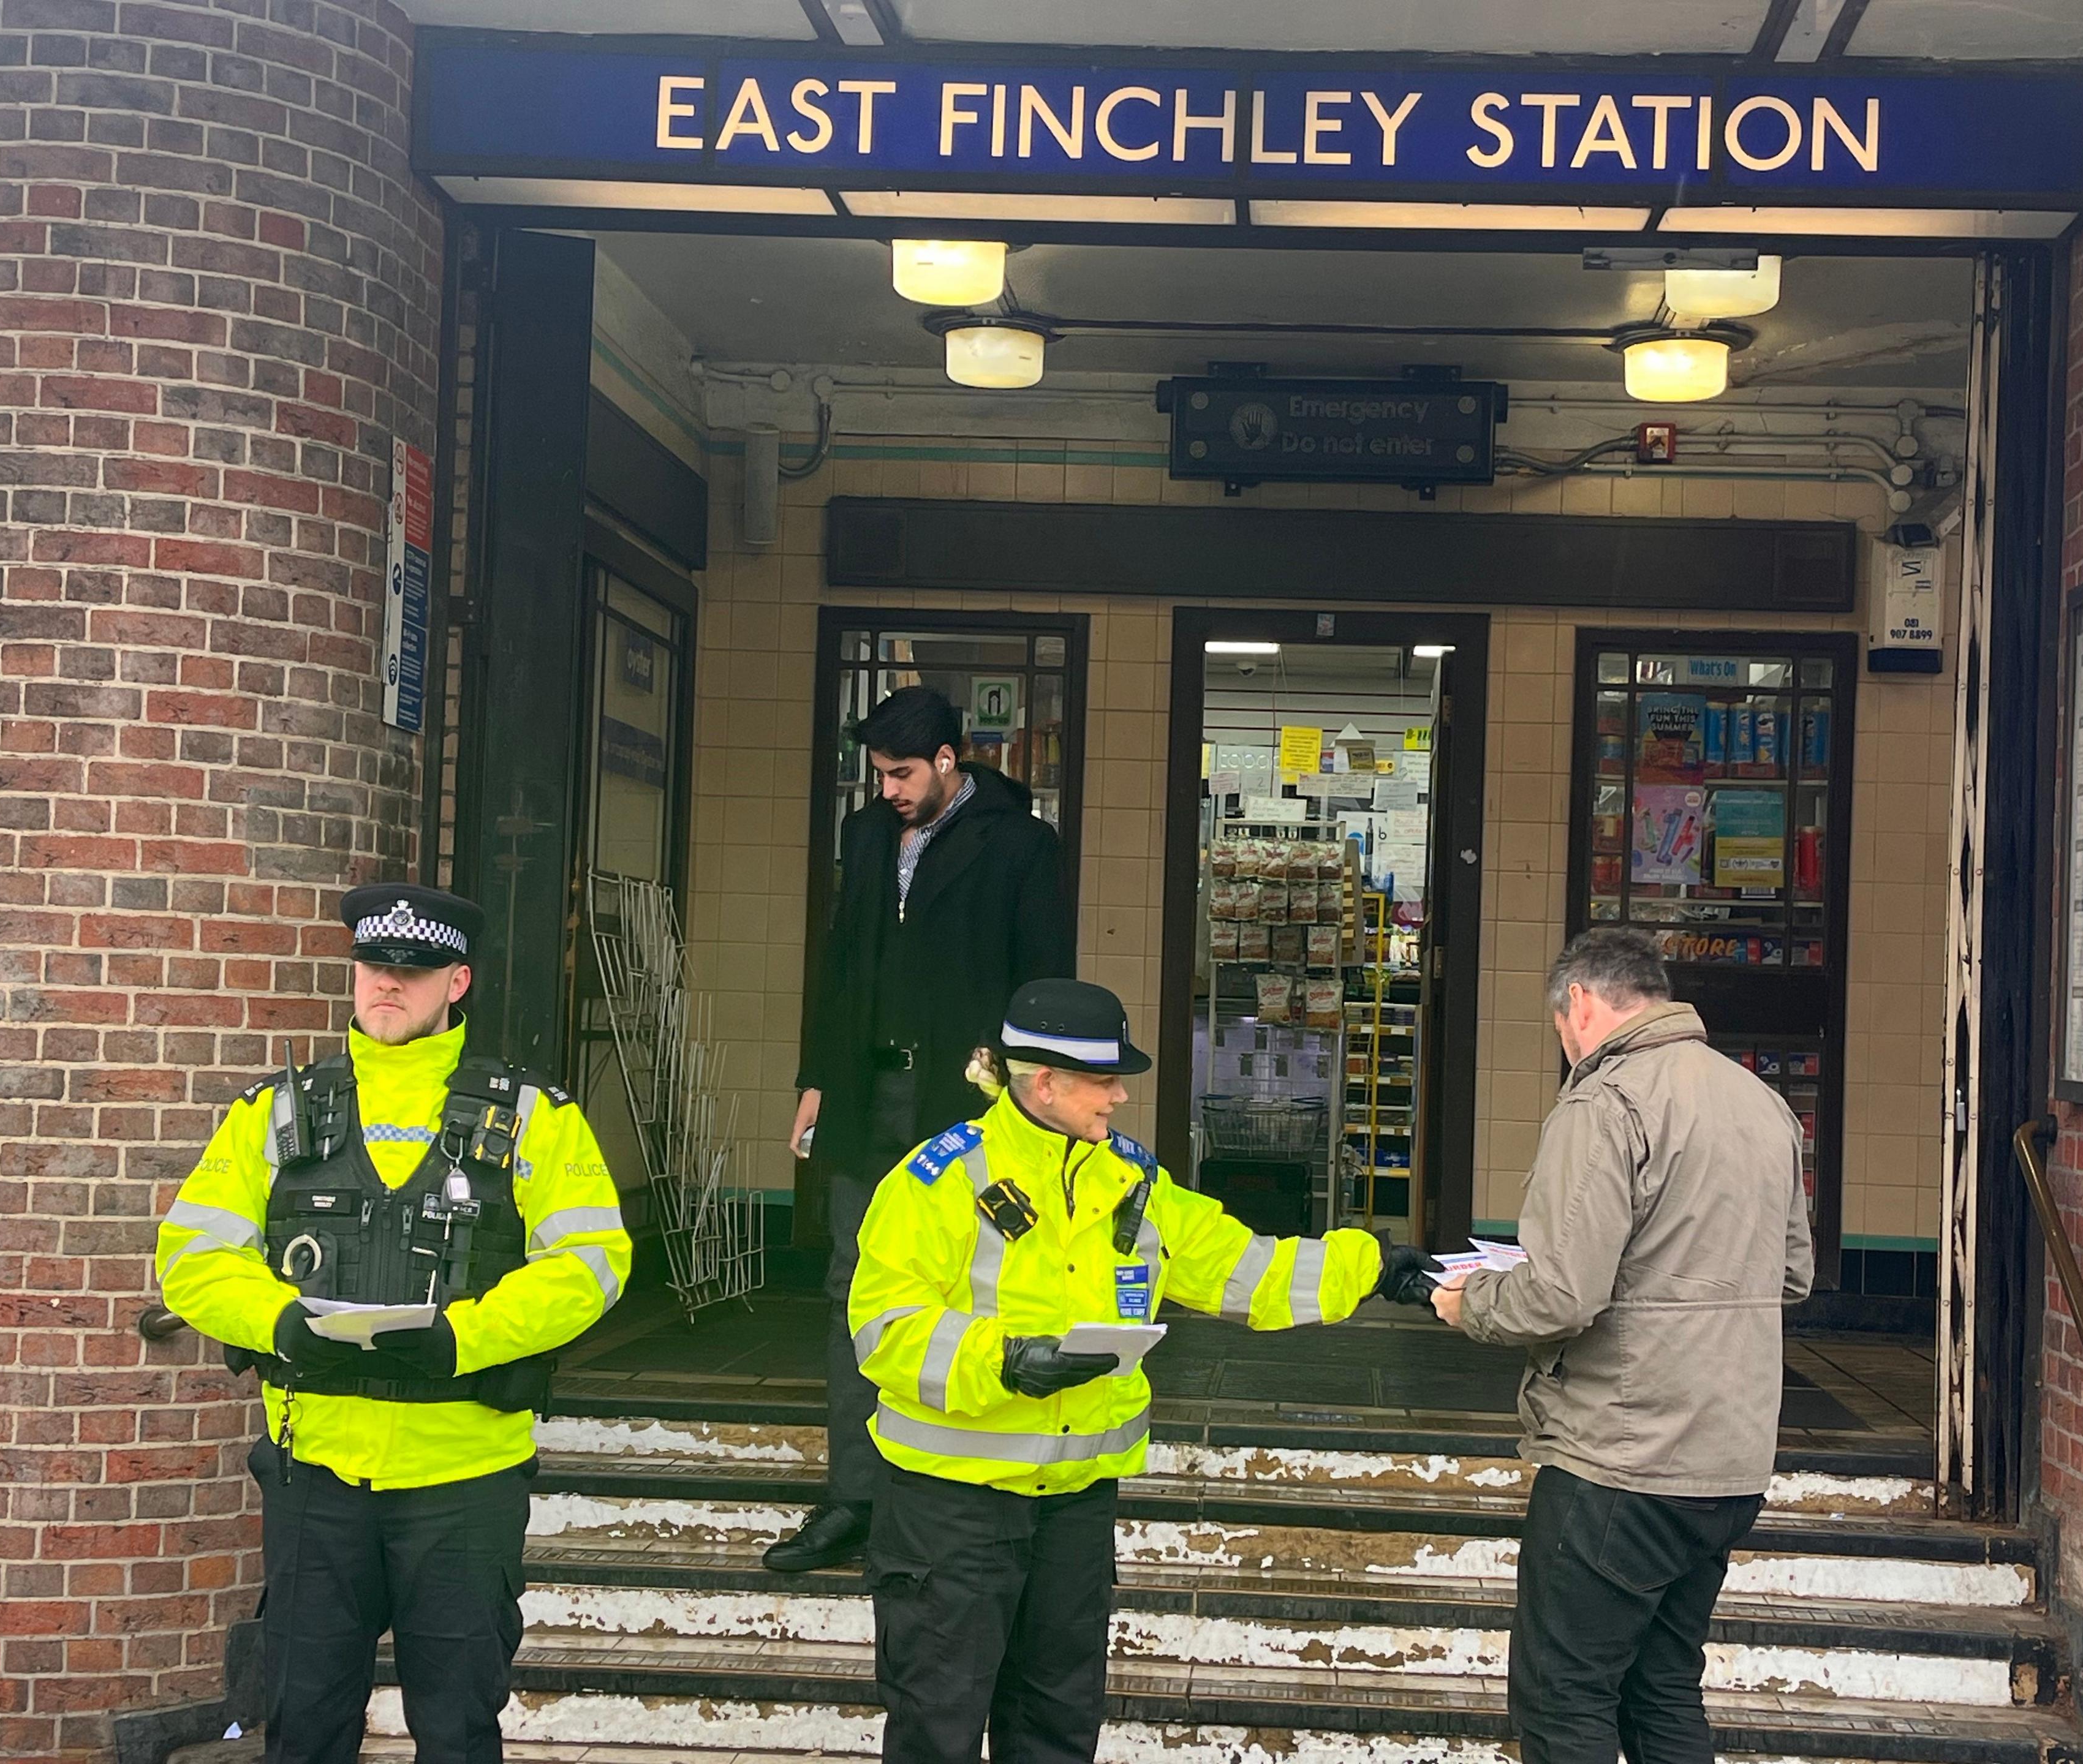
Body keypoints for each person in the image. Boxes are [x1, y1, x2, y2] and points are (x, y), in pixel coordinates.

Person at [848, 978, 1445, 1764]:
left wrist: (1369, 1267)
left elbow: (1239, 1265)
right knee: (937, 1726)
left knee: (1058, 1726)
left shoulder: (1131, 1177)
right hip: (952, 1511)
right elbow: (884, 1329)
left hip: (1075, 1510)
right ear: (1045, 1083)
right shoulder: (937, 1180)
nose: (1120, 1098)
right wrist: (1004, 1360)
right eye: (1104, 1080)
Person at [156, 884, 632, 1764]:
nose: (388, 986)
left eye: (412, 973)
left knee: (456, 1732)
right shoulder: (277, 1112)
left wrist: (467, 1338)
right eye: (375, 968)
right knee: (302, 1731)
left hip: (464, 1479)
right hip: (317, 1475)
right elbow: (189, 1255)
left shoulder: (532, 1114)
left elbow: (594, 1265)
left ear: (457, 982)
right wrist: (277, 1322)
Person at [1429, 927, 1813, 1764]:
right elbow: (1790, 1278)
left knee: (1563, 1697)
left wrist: (1469, 1304)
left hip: (1622, 1457)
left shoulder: (1607, 1101)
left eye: (1558, 1022)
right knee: (1662, 1689)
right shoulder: (1760, 1102)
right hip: (1728, 1458)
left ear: (1580, 1003)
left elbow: (1562, 1294)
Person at [771, 685, 1076, 1574]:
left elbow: (1042, 977)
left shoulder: (1021, 844)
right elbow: (841, 957)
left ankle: (946, 1499)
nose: (890, 790)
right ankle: (851, 1500)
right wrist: (817, 1078)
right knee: (851, 1293)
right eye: (878, 774)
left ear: (949, 759)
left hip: (970, 1100)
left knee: (972, 1289)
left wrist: (1030, 1106)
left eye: (903, 773)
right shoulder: (867, 836)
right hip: (868, 1092)